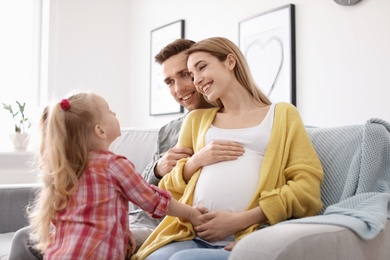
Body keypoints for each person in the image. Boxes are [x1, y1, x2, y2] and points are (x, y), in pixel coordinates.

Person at [8, 39, 240, 259]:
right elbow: (139, 188)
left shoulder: (231, 123)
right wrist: (157, 169)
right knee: (23, 238)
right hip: (137, 217)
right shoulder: (168, 131)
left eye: (185, 75)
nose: (178, 88)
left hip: (170, 222)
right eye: (169, 81)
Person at [132, 37, 324, 260]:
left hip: (247, 233)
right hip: (190, 232)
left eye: (197, 70)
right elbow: (165, 190)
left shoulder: (281, 115)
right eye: (192, 74)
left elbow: (307, 187)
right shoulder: (195, 121)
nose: (194, 82)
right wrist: (194, 162)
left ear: (230, 61)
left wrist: (242, 221)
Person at [26, 92, 206, 259]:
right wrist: (191, 213)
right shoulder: (113, 165)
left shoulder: (68, 168)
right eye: (110, 112)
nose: (114, 114)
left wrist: (123, 233)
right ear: (101, 131)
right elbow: (152, 200)